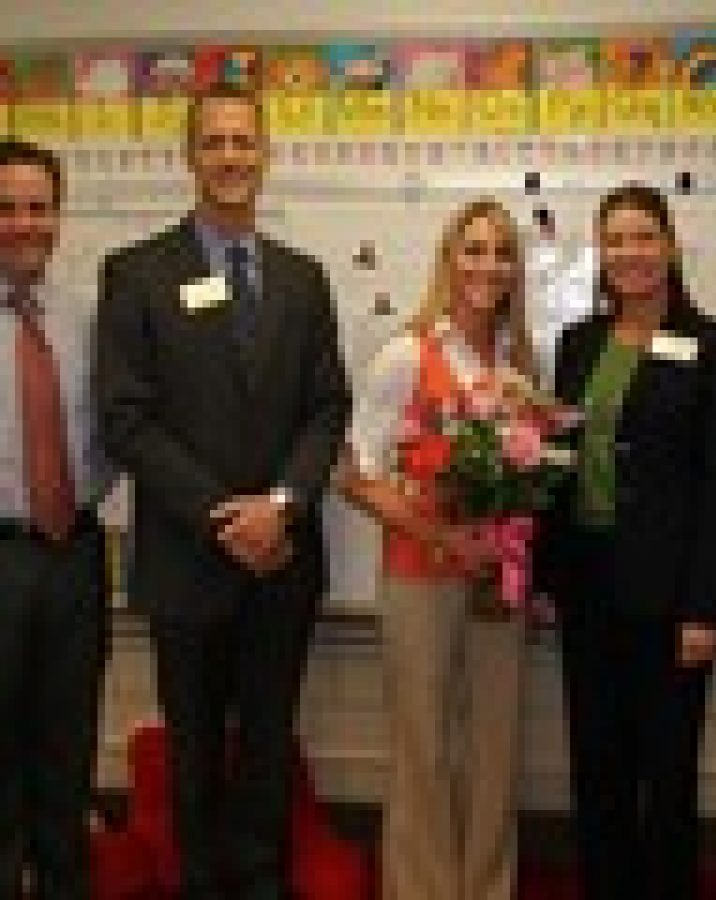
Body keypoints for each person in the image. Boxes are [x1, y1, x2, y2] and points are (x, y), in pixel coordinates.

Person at [98, 84, 350, 900]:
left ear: (265, 154)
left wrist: (277, 507)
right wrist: (223, 516)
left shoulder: (304, 281)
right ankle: (200, 883)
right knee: (195, 746)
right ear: (190, 155)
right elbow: (126, 420)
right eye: (215, 143)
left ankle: (263, 882)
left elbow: (327, 409)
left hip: (282, 556)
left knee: (270, 740)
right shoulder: (136, 274)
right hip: (185, 557)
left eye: (245, 142)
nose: (232, 158)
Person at [535, 182, 716, 900]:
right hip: (587, 588)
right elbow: (560, 465)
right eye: (616, 240)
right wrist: (542, 576)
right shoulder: (578, 343)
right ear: (601, 251)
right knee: (596, 766)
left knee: (668, 770)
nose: (630, 253)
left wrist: (704, 607)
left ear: (670, 245)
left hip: (671, 597)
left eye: (643, 237)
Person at [340, 198, 538, 900]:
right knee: (422, 749)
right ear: (449, 259)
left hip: (498, 585)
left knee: (494, 748)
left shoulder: (519, 360)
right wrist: (443, 535)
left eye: (502, 252)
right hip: (419, 575)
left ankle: (487, 886)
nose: (488, 265)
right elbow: (354, 476)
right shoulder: (406, 352)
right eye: (474, 249)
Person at [0, 138, 109, 900]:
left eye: (38, 207)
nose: (23, 223)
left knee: (69, 751)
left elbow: (113, 433)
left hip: (76, 558)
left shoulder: (85, 318)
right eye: (6, 208)